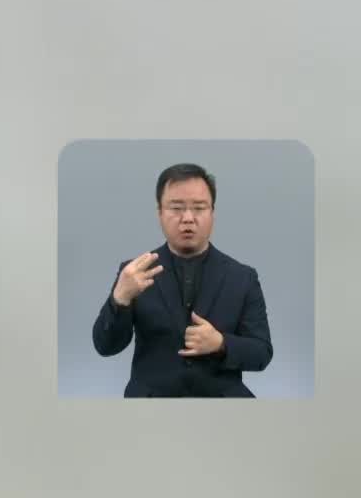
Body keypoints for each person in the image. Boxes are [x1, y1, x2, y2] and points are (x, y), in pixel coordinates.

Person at [91, 163, 273, 396]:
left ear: (213, 213)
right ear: (159, 213)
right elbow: (105, 347)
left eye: (199, 208)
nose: (188, 218)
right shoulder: (133, 272)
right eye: (176, 208)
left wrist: (221, 343)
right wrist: (120, 298)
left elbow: (262, 352)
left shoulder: (243, 277)